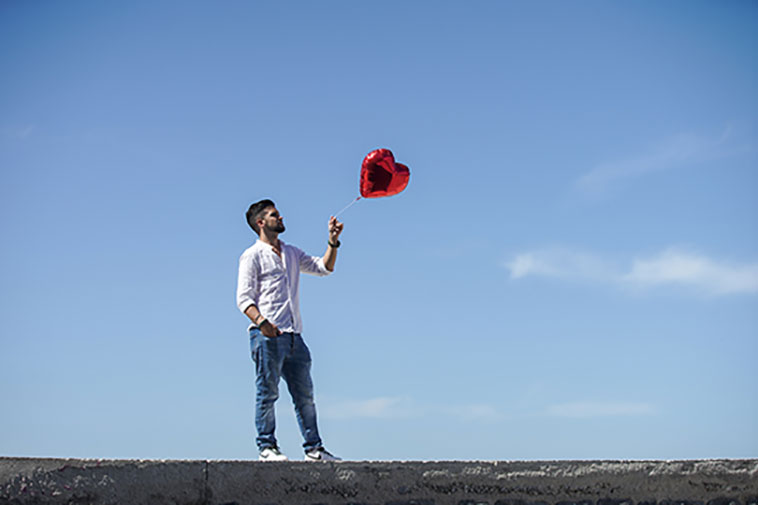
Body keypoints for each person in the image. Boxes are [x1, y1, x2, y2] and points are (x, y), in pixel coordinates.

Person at [236, 199, 344, 462]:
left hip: (295, 337)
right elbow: (244, 298)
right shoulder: (252, 255)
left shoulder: (292, 253)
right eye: (275, 215)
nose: (281, 217)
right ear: (261, 223)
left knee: (305, 395)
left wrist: (332, 242)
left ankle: (314, 449)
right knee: (268, 392)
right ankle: (267, 447)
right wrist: (263, 323)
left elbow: (323, 268)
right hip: (267, 336)